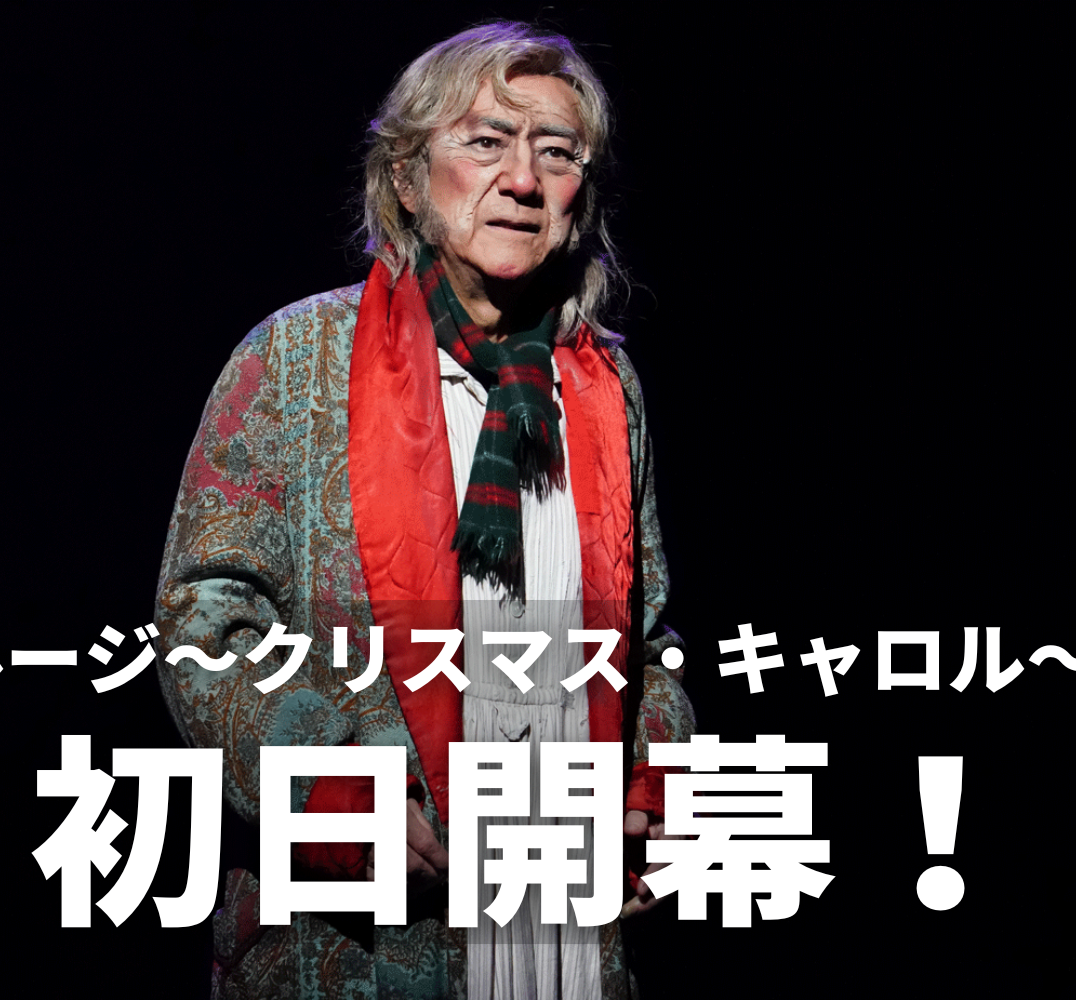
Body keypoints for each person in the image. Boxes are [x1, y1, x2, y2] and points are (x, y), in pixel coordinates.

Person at [154, 22, 694, 999]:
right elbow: (205, 622)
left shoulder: (605, 386)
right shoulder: (297, 359)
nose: (523, 180)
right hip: (363, 942)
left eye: (557, 152)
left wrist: (657, 789)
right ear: (406, 176)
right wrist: (329, 788)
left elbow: (647, 641)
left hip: (567, 940)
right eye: (486, 141)